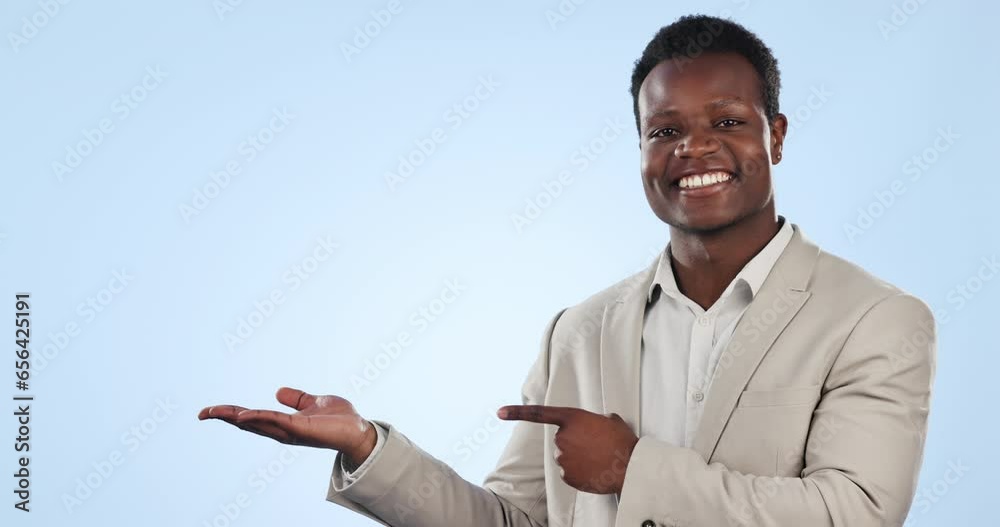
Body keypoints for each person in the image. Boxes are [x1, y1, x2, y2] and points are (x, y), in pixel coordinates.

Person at [199, 14, 936, 526]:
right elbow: (514, 521)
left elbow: (856, 512)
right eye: (666, 130)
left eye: (728, 122)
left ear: (776, 135)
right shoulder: (580, 331)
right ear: (641, 149)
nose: (695, 149)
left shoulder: (874, 319)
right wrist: (369, 446)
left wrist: (631, 469)